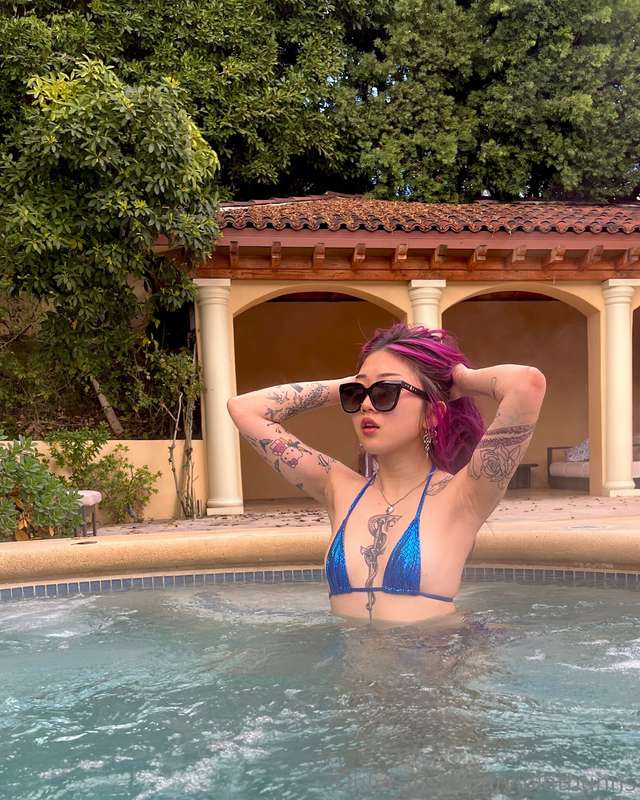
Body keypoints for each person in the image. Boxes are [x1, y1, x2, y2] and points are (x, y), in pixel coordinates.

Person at [227, 322, 546, 625]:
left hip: (438, 661)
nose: (366, 405)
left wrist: (457, 380)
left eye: (385, 392)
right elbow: (244, 409)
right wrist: (352, 383)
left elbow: (525, 384)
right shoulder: (338, 488)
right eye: (357, 395)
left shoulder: (464, 495)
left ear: (433, 414)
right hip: (350, 664)